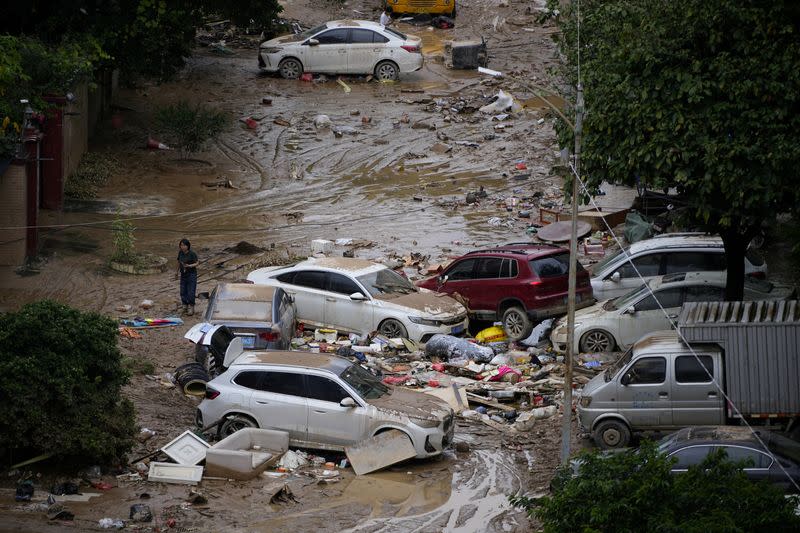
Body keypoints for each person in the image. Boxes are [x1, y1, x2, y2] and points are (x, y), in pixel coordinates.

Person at [176, 238, 199, 315]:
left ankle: (191, 307)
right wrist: (176, 272)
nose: (183, 247)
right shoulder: (180, 253)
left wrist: (189, 266)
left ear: (188, 246)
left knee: (191, 291)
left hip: (191, 274)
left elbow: (197, 263)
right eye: (181, 245)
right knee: (183, 291)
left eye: (184, 245)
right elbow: (179, 262)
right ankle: (184, 306)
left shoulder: (192, 253)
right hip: (183, 274)